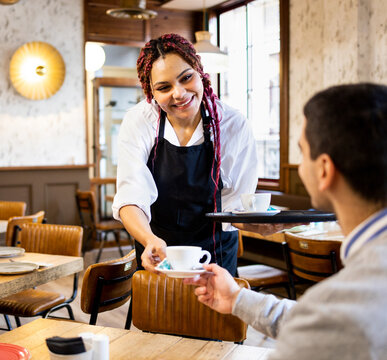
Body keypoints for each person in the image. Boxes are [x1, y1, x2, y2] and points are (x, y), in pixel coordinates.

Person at [186, 83, 387, 359]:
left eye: (302, 152)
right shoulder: (350, 302)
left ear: (325, 170)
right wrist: (237, 299)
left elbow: (327, 323)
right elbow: (322, 320)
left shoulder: (347, 306)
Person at [112, 33, 258, 276]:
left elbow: (236, 206)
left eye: (186, 78)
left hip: (215, 255)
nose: (178, 94)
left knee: (215, 313)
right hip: (157, 253)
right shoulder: (140, 121)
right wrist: (149, 239)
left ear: (200, 73)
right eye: (164, 87)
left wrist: (259, 225)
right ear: (152, 93)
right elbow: (131, 196)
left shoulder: (232, 124)